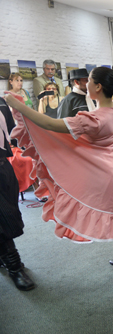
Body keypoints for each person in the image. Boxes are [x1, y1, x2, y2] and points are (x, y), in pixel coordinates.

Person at [4, 67, 113, 269]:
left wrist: (19, 107)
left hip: (104, 169)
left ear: (98, 87)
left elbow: (48, 124)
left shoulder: (93, 119)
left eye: (89, 81)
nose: (86, 84)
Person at [0, 96, 36, 291]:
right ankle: (14, 267)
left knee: (9, 215)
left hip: (3, 167)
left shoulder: (2, 103)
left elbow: (13, 133)